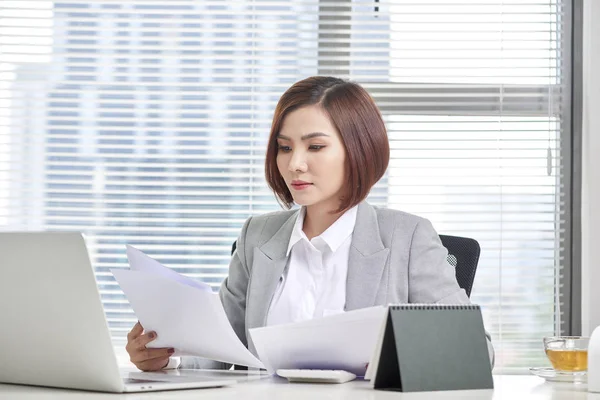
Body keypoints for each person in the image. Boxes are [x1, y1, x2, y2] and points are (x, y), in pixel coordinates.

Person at [125, 76, 495, 372]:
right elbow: (223, 348)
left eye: (314, 147)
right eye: (285, 148)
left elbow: (478, 353)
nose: (294, 164)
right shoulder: (258, 235)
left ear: (359, 149)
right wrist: (165, 356)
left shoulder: (408, 237)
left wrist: (392, 361)